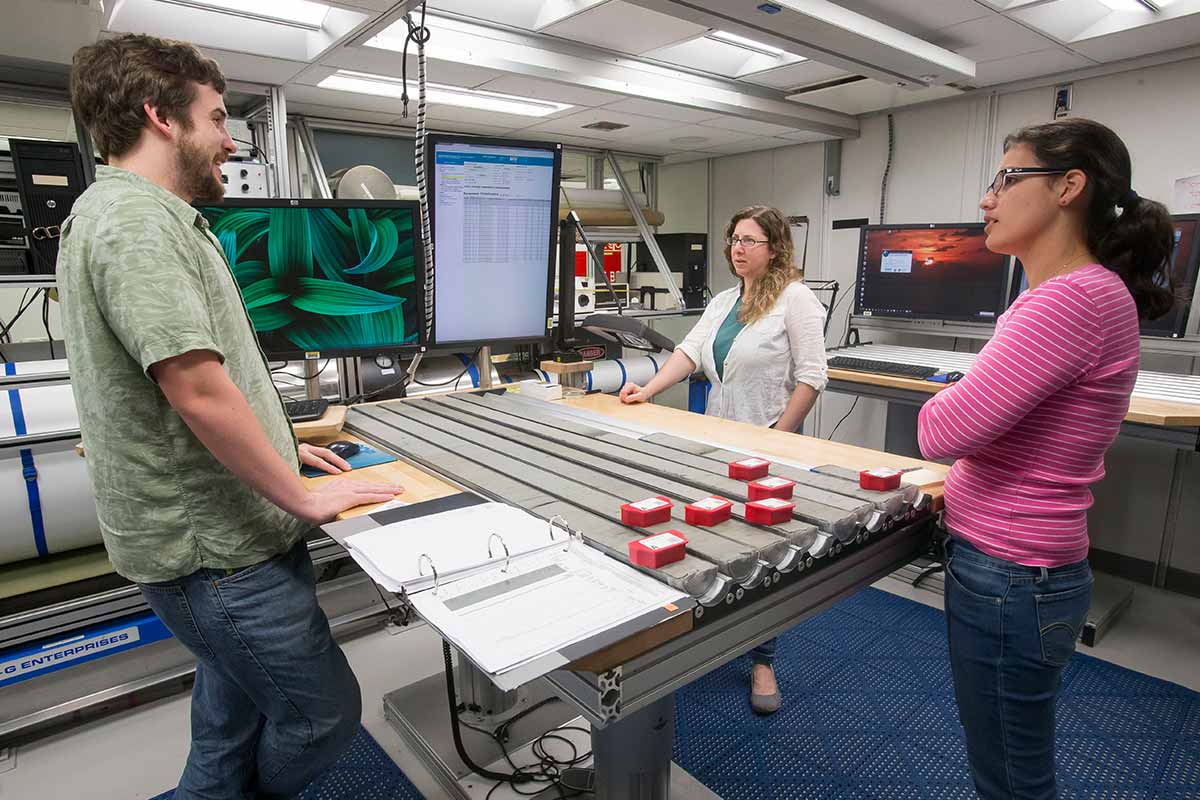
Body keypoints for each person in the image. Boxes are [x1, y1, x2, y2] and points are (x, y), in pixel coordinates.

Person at [59, 34, 405, 800]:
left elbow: (198, 383)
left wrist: (284, 456)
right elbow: (197, 389)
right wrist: (303, 496)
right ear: (160, 116)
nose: (230, 139)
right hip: (217, 554)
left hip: (224, 532)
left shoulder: (146, 216)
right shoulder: (136, 224)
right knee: (323, 716)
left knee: (232, 720)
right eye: (217, 118)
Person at [917, 117, 1175, 799]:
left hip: (1010, 573)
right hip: (1025, 570)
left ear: (1069, 186)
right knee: (1012, 761)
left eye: (1007, 178)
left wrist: (960, 401)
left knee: (1010, 776)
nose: (987, 198)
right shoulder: (1082, 295)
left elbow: (941, 433)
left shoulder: (1067, 302)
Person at [619, 204, 827, 715]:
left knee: (764, 556)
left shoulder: (795, 299)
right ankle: (708, 638)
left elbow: (813, 376)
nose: (738, 248)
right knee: (711, 543)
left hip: (768, 448)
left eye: (750, 240)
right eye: (734, 238)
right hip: (717, 444)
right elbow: (688, 353)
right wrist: (647, 390)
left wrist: (781, 437)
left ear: (774, 248)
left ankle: (763, 658)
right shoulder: (724, 301)